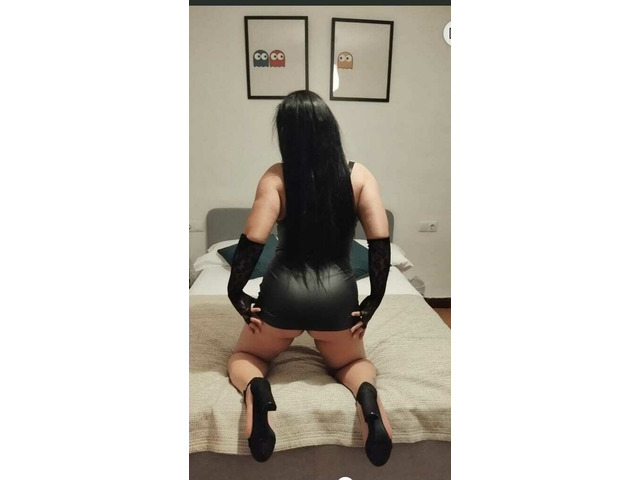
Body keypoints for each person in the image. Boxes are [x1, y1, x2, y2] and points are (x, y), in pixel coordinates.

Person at [226, 90, 393, 466]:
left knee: (246, 356)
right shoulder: (360, 176)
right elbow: (380, 244)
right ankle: (367, 399)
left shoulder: (277, 177)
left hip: (281, 295)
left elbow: (252, 240)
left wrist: (236, 293)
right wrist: (373, 300)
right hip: (337, 299)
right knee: (351, 365)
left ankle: (257, 390)